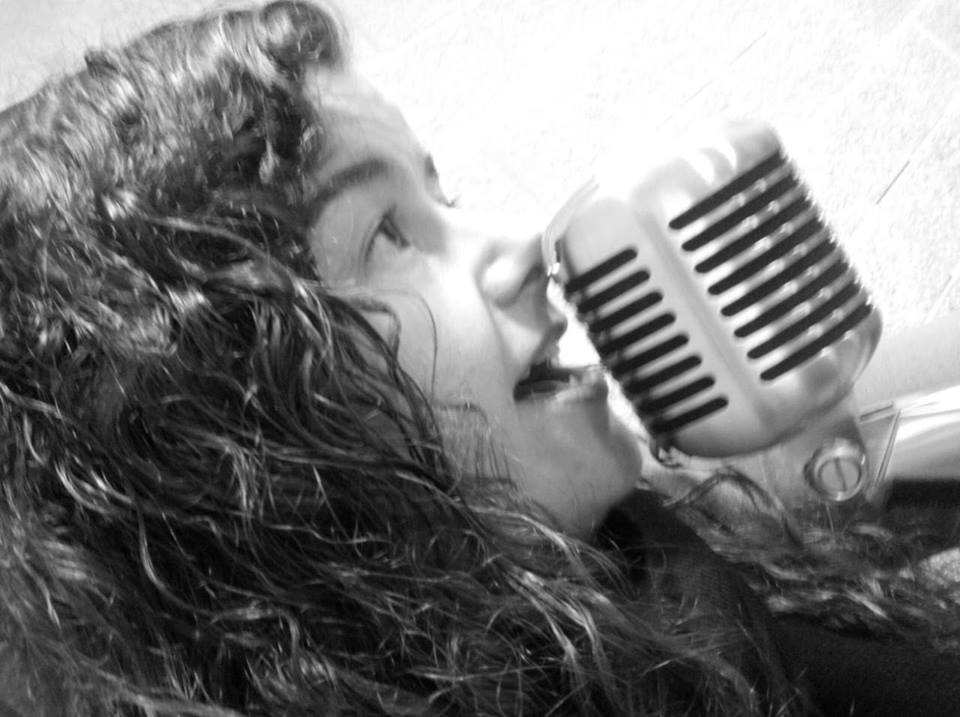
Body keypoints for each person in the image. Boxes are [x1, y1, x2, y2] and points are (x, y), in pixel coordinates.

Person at [0, 2, 959, 715]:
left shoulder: (585, 533)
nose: (522, 245)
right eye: (386, 234)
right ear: (246, 457)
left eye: (442, 195)